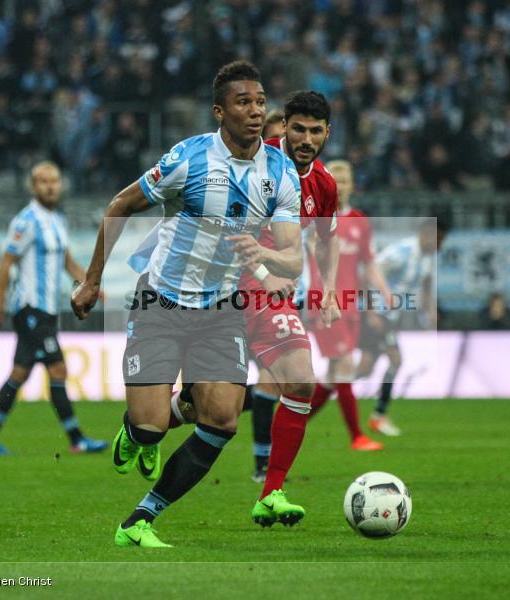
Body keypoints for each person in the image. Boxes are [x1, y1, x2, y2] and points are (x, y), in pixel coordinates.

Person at [71, 60, 305, 548]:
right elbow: (120, 207)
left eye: (261, 102)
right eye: (244, 102)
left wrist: (264, 255)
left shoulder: (281, 171)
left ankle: (140, 520)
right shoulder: (189, 158)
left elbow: (292, 258)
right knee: (152, 427)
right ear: (220, 111)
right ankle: (134, 434)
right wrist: (91, 283)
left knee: (220, 419)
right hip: (161, 302)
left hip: (222, 308)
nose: (256, 111)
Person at [169, 90, 342, 527]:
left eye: (315, 131)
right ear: (283, 128)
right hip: (221, 290)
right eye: (297, 128)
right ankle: (143, 426)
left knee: (299, 380)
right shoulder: (256, 164)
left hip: (270, 297)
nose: (305, 138)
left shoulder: (322, 183)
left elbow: (327, 239)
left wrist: (328, 291)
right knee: (199, 408)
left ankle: (271, 491)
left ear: (326, 134)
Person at [0, 162, 108, 456]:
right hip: (30, 309)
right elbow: (5, 264)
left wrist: (91, 284)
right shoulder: (26, 221)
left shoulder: (57, 220)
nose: (50, 186)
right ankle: (77, 439)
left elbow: (66, 261)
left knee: (20, 373)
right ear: (33, 187)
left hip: (46, 310)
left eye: (55, 181)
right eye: (43, 182)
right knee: (58, 369)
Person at [308, 159, 389, 447]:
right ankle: (357, 435)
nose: (340, 187)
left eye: (345, 182)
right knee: (344, 364)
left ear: (352, 185)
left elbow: (369, 263)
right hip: (325, 303)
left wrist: (384, 291)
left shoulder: (359, 221)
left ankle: (289, 421)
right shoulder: (315, 217)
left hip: (351, 305)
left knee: (331, 377)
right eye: (335, 181)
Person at [355, 220, 442, 436]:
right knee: (396, 359)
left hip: (389, 317)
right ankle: (379, 415)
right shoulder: (401, 252)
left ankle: (320, 387)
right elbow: (367, 274)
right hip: (376, 315)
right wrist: (371, 311)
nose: (438, 244)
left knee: (364, 369)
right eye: (436, 238)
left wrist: (429, 311)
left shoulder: (428, 259)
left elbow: (427, 285)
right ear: (425, 234)